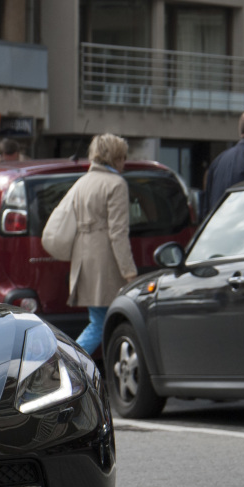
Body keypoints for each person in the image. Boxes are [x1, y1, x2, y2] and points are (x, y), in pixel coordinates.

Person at [65, 133, 139, 357]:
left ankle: (72, 364)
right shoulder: (116, 184)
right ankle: (69, 364)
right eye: (123, 157)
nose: (124, 163)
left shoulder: (82, 182)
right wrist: (129, 273)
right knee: (105, 323)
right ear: (115, 157)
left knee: (98, 320)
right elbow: (118, 233)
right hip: (106, 262)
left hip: (83, 260)